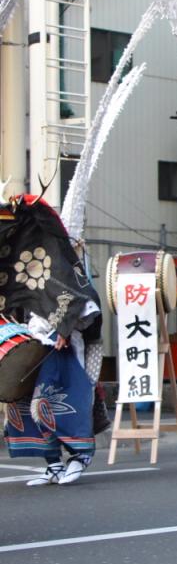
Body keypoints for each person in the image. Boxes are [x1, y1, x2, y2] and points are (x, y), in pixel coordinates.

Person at [1, 195, 103, 485]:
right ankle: (53, 463)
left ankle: (79, 457)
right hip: (32, 345)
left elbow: (86, 308)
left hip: (64, 351)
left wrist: (63, 330)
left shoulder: (67, 273)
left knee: (51, 402)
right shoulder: (21, 270)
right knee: (22, 404)